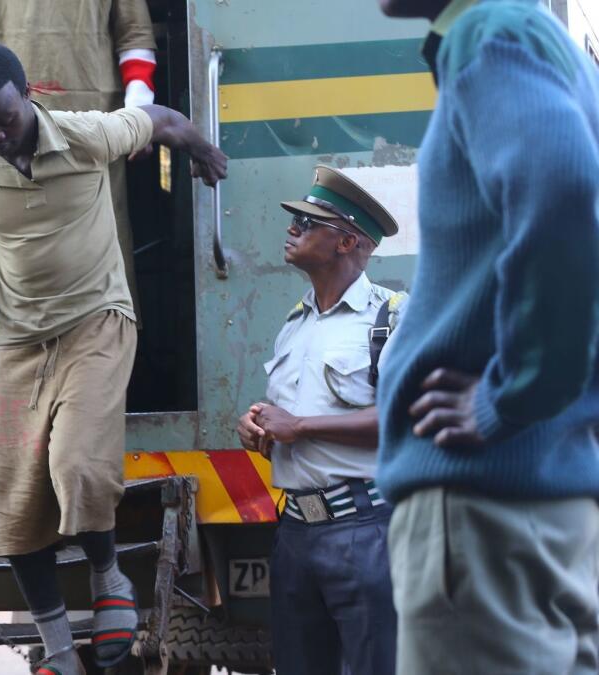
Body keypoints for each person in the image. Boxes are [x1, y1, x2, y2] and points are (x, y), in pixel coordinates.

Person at [0, 42, 226, 673]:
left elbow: (158, 119)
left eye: (4, 120)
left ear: (29, 98)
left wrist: (201, 147)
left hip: (96, 323)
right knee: (13, 505)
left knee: (76, 468)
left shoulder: (84, 136)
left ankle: (110, 580)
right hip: (18, 341)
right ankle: (57, 649)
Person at [373, 0, 599, 672]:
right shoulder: (555, 51)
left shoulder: (489, 32)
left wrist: (513, 394)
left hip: (479, 511)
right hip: (547, 502)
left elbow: (563, 188)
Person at [237, 166, 402, 675]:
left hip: (364, 531)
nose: (292, 229)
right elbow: (285, 424)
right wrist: (257, 428)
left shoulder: (391, 318)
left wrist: (301, 426)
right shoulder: (295, 323)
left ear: (346, 241)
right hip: (295, 533)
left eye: (308, 223)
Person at [0, 0, 159, 315]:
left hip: (95, 127)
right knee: (25, 234)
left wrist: (137, 115)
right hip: (14, 130)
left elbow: (135, 37)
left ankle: (111, 329)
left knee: (100, 234)